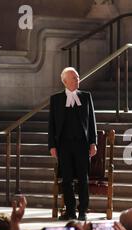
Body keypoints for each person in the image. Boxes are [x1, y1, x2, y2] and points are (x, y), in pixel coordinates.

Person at [48, 67, 97, 221]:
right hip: (64, 145)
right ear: (65, 81)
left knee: (83, 178)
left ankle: (83, 210)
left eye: (77, 77)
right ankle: (70, 210)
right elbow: (52, 124)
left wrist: (93, 143)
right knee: (67, 179)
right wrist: (52, 146)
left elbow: (92, 122)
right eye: (74, 78)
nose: (77, 80)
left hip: (82, 145)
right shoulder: (56, 99)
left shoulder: (86, 96)